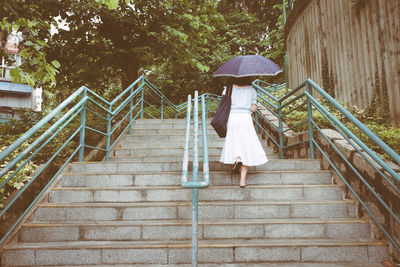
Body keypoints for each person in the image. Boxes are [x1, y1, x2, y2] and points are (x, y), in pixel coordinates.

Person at [219, 76, 268, 188]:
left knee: (235, 141)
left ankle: (237, 159)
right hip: (245, 118)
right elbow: (253, 109)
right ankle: (242, 181)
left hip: (232, 118)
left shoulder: (228, 89)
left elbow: (223, 105)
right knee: (246, 145)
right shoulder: (251, 90)